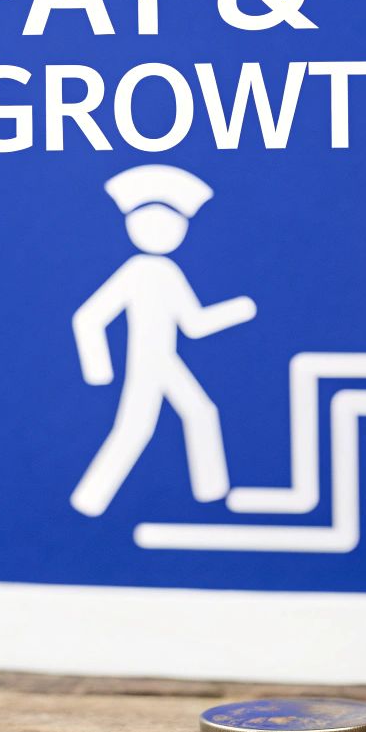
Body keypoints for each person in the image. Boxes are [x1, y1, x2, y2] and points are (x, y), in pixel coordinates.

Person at [69, 165, 256, 517]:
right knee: (134, 431)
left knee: (200, 413)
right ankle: (89, 500)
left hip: (166, 360)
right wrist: (98, 369)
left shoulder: (168, 271)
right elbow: (88, 317)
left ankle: (212, 494)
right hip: (147, 365)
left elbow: (193, 324)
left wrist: (237, 311)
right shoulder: (138, 271)